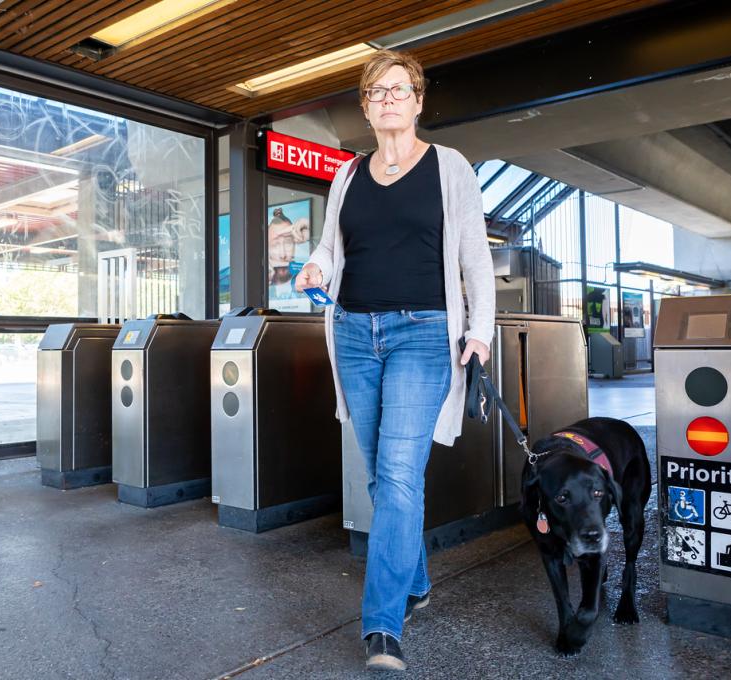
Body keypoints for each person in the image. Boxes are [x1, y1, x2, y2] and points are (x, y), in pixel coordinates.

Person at [295, 50, 494, 672]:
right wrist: (316, 267)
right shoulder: (348, 174)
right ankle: (415, 581)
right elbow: (332, 245)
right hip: (353, 333)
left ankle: (382, 624)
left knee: (401, 473)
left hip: (424, 334)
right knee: (384, 477)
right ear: (364, 106)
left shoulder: (449, 167)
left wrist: (480, 331)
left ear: (418, 99)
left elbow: (473, 259)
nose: (387, 100)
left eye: (398, 90)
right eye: (375, 93)